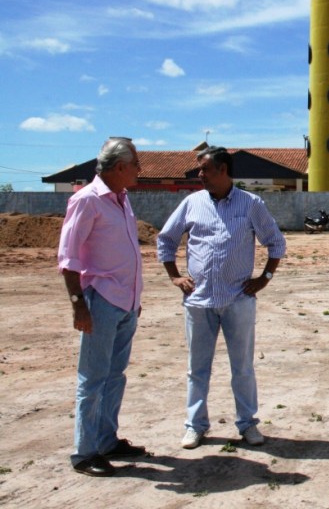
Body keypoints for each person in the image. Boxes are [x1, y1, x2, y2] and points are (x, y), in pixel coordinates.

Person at [156, 146, 286, 449]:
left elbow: (276, 243)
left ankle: (247, 424)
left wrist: (264, 278)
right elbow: (166, 240)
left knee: (242, 367)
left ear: (223, 170)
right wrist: (175, 276)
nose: (199, 174)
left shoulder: (251, 203)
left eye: (204, 169)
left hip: (238, 300)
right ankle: (195, 425)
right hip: (198, 301)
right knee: (197, 369)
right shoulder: (192, 203)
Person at [58, 137, 146, 477]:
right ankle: (85, 453)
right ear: (120, 167)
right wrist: (78, 305)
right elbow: (69, 258)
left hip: (126, 303)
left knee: (114, 375)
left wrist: (135, 299)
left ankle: (107, 440)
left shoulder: (122, 199)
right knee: (93, 378)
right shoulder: (87, 200)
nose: (140, 170)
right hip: (101, 301)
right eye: (136, 164)